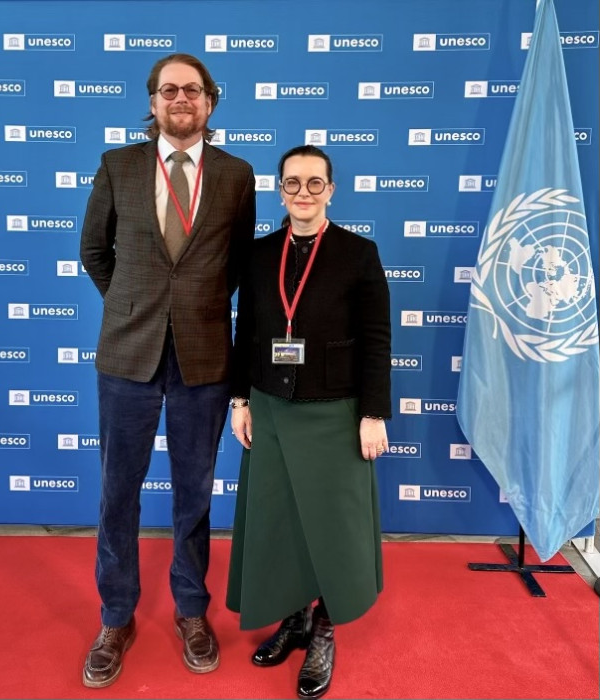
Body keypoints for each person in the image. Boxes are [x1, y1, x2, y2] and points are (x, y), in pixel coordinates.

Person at [79, 53, 256, 689]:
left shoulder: (237, 175)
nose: (181, 99)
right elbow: (94, 253)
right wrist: (134, 307)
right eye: (168, 90)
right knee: (116, 493)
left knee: (195, 494)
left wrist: (196, 308)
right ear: (153, 103)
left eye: (193, 90)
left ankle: (190, 610)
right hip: (128, 353)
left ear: (210, 102)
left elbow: (236, 264)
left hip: (205, 357)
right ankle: (116, 616)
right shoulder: (117, 165)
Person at [226, 145, 391, 699]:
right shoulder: (257, 254)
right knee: (281, 520)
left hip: (335, 412)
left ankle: (325, 626)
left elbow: (376, 341)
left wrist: (372, 413)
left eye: (314, 183)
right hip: (269, 408)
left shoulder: (357, 253)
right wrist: (240, 401)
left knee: (330, 525)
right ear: (280, 190)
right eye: (292, 183)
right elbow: (246, 329)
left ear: (331, 190)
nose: (303, 192)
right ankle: (294, 616)